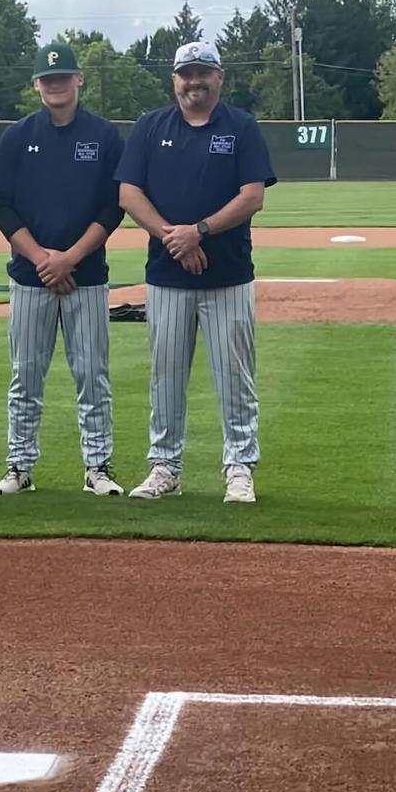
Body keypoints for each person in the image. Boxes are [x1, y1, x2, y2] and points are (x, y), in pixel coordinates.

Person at [114, 41, 277, 503]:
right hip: (167, 275)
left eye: (203, 72)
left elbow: (253, 196)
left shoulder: (241, 126)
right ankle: (165, 466)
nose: (194, 81)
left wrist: (199, 232)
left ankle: (240, 467)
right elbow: (129, 194)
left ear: (219, 76)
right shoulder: (151, 127)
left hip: (227, 274)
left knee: (234, 375)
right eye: (186, 73)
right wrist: (175, 237)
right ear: (174, 80)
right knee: (165, 376)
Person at [0, 43, 126, 496]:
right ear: (35, 85)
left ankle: (98, 467)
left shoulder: (104, 136)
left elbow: (113, 207)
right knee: (25, 376)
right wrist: (43, 258)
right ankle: (19, 466)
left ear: (79, 79)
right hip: (30, 277)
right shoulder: (18, 136)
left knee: (92, 376)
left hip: (86, 276)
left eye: (63, 76)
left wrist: (71, 257)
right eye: (47, 78)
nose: (55, 84)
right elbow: (2, 207)